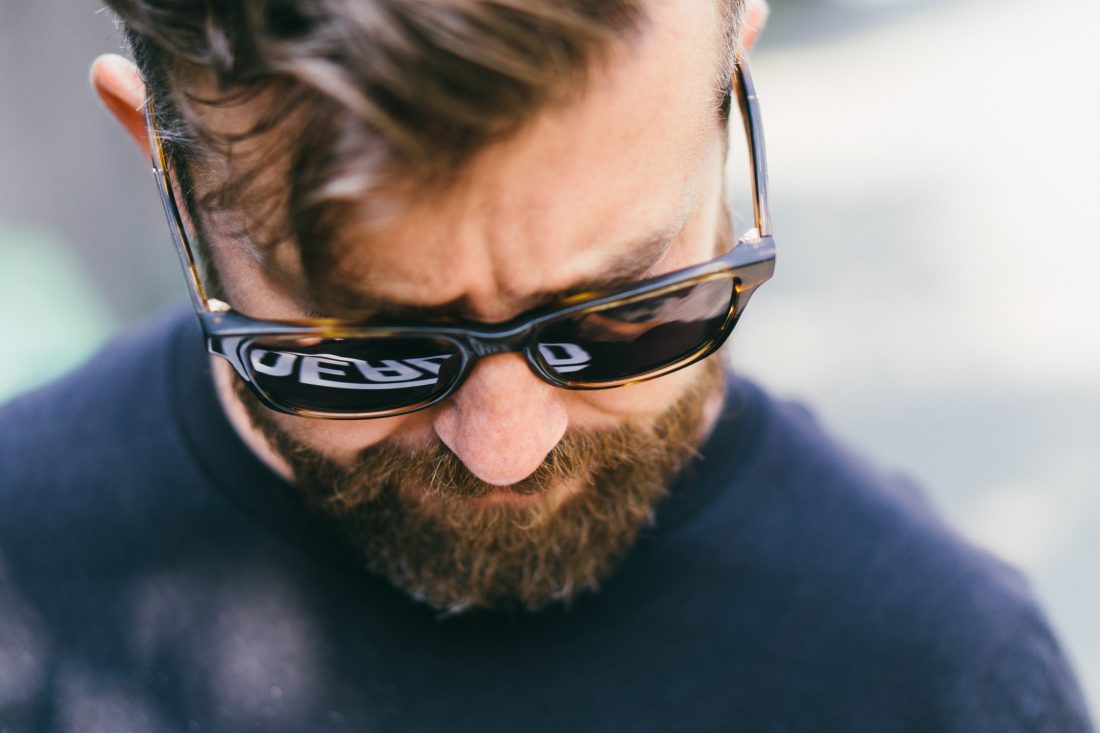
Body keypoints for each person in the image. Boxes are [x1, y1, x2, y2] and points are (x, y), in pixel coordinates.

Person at [0, 0, 1092, 730]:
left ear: (727, 93)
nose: (505, 447)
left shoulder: (938, 679)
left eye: (627, 309)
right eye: (374, 351)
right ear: (163, 165)